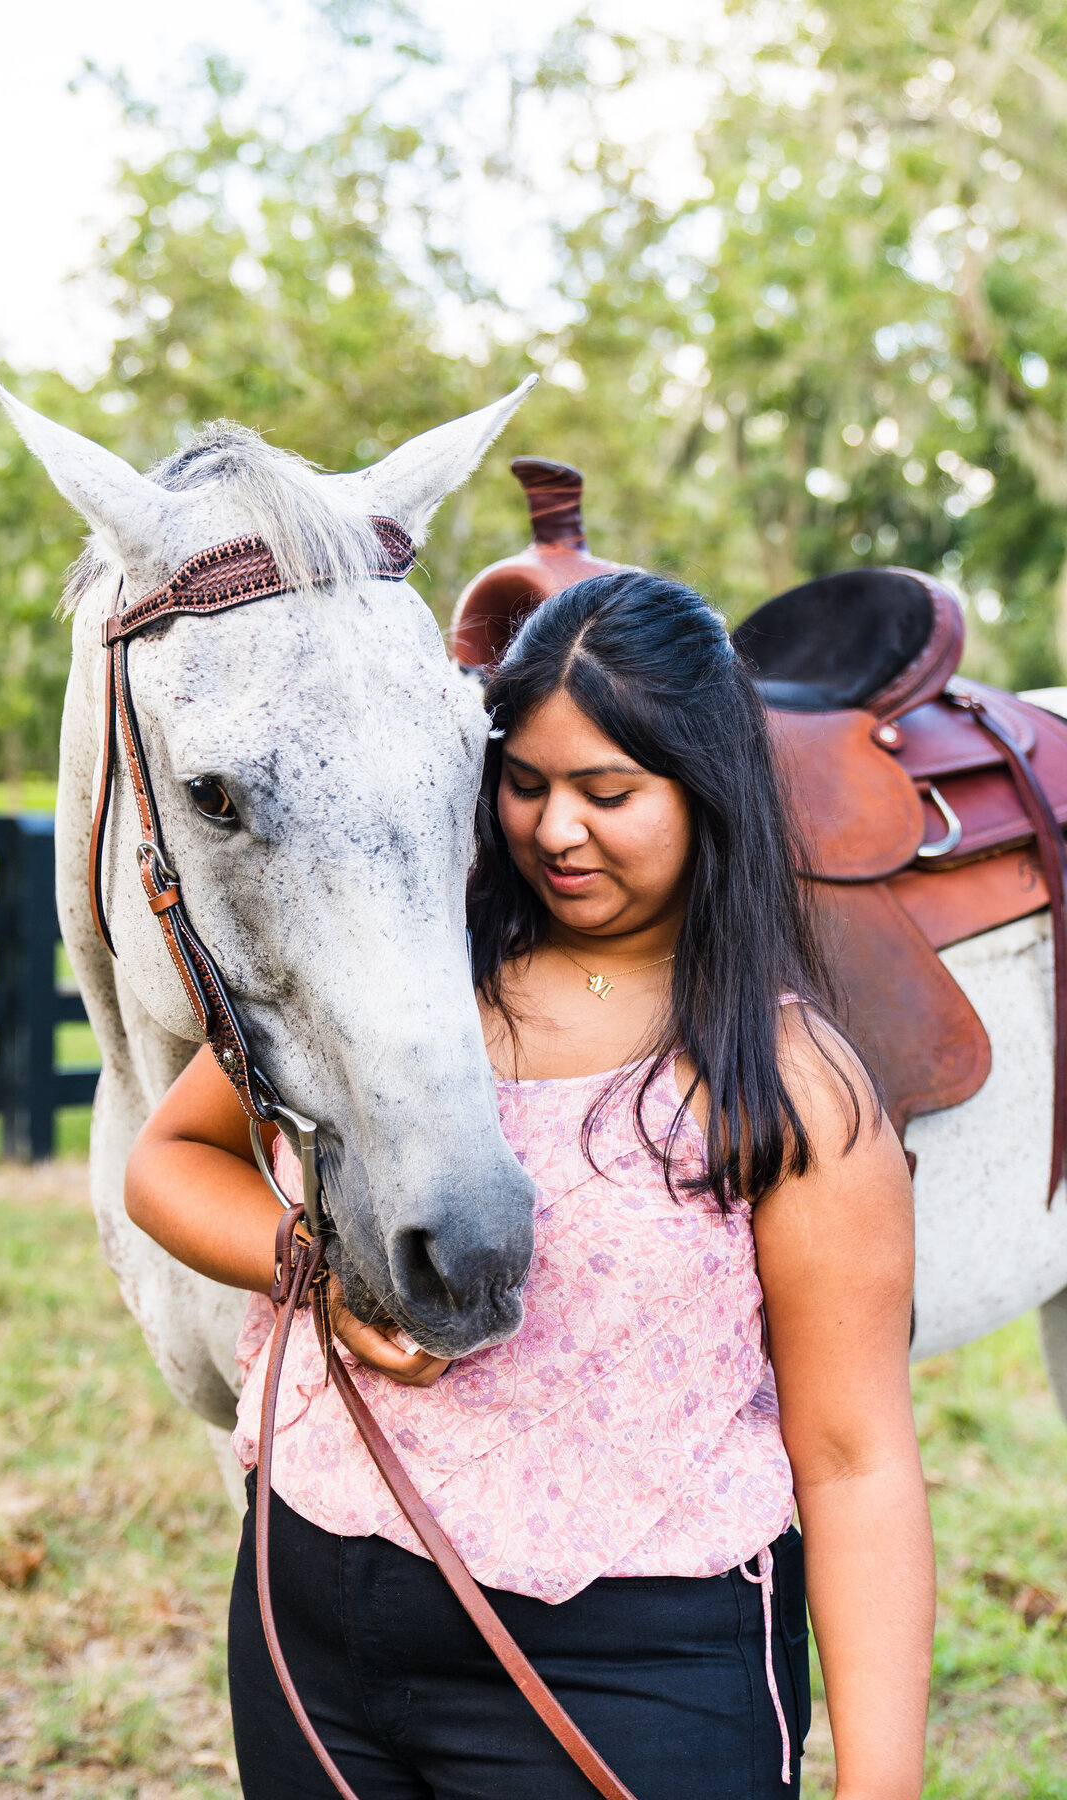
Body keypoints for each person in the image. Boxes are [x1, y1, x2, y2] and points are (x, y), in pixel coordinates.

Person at [125, 569, 934, 1800]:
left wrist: (882, 1787)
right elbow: (169, 1163)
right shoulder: (412, 981)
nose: (557, 830)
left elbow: (855, 1456)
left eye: (610, 793)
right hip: (311, 1624)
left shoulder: (788, 1084)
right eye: (527, 784)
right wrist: (318, 1277)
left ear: (705, 791)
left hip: (631, 1675)